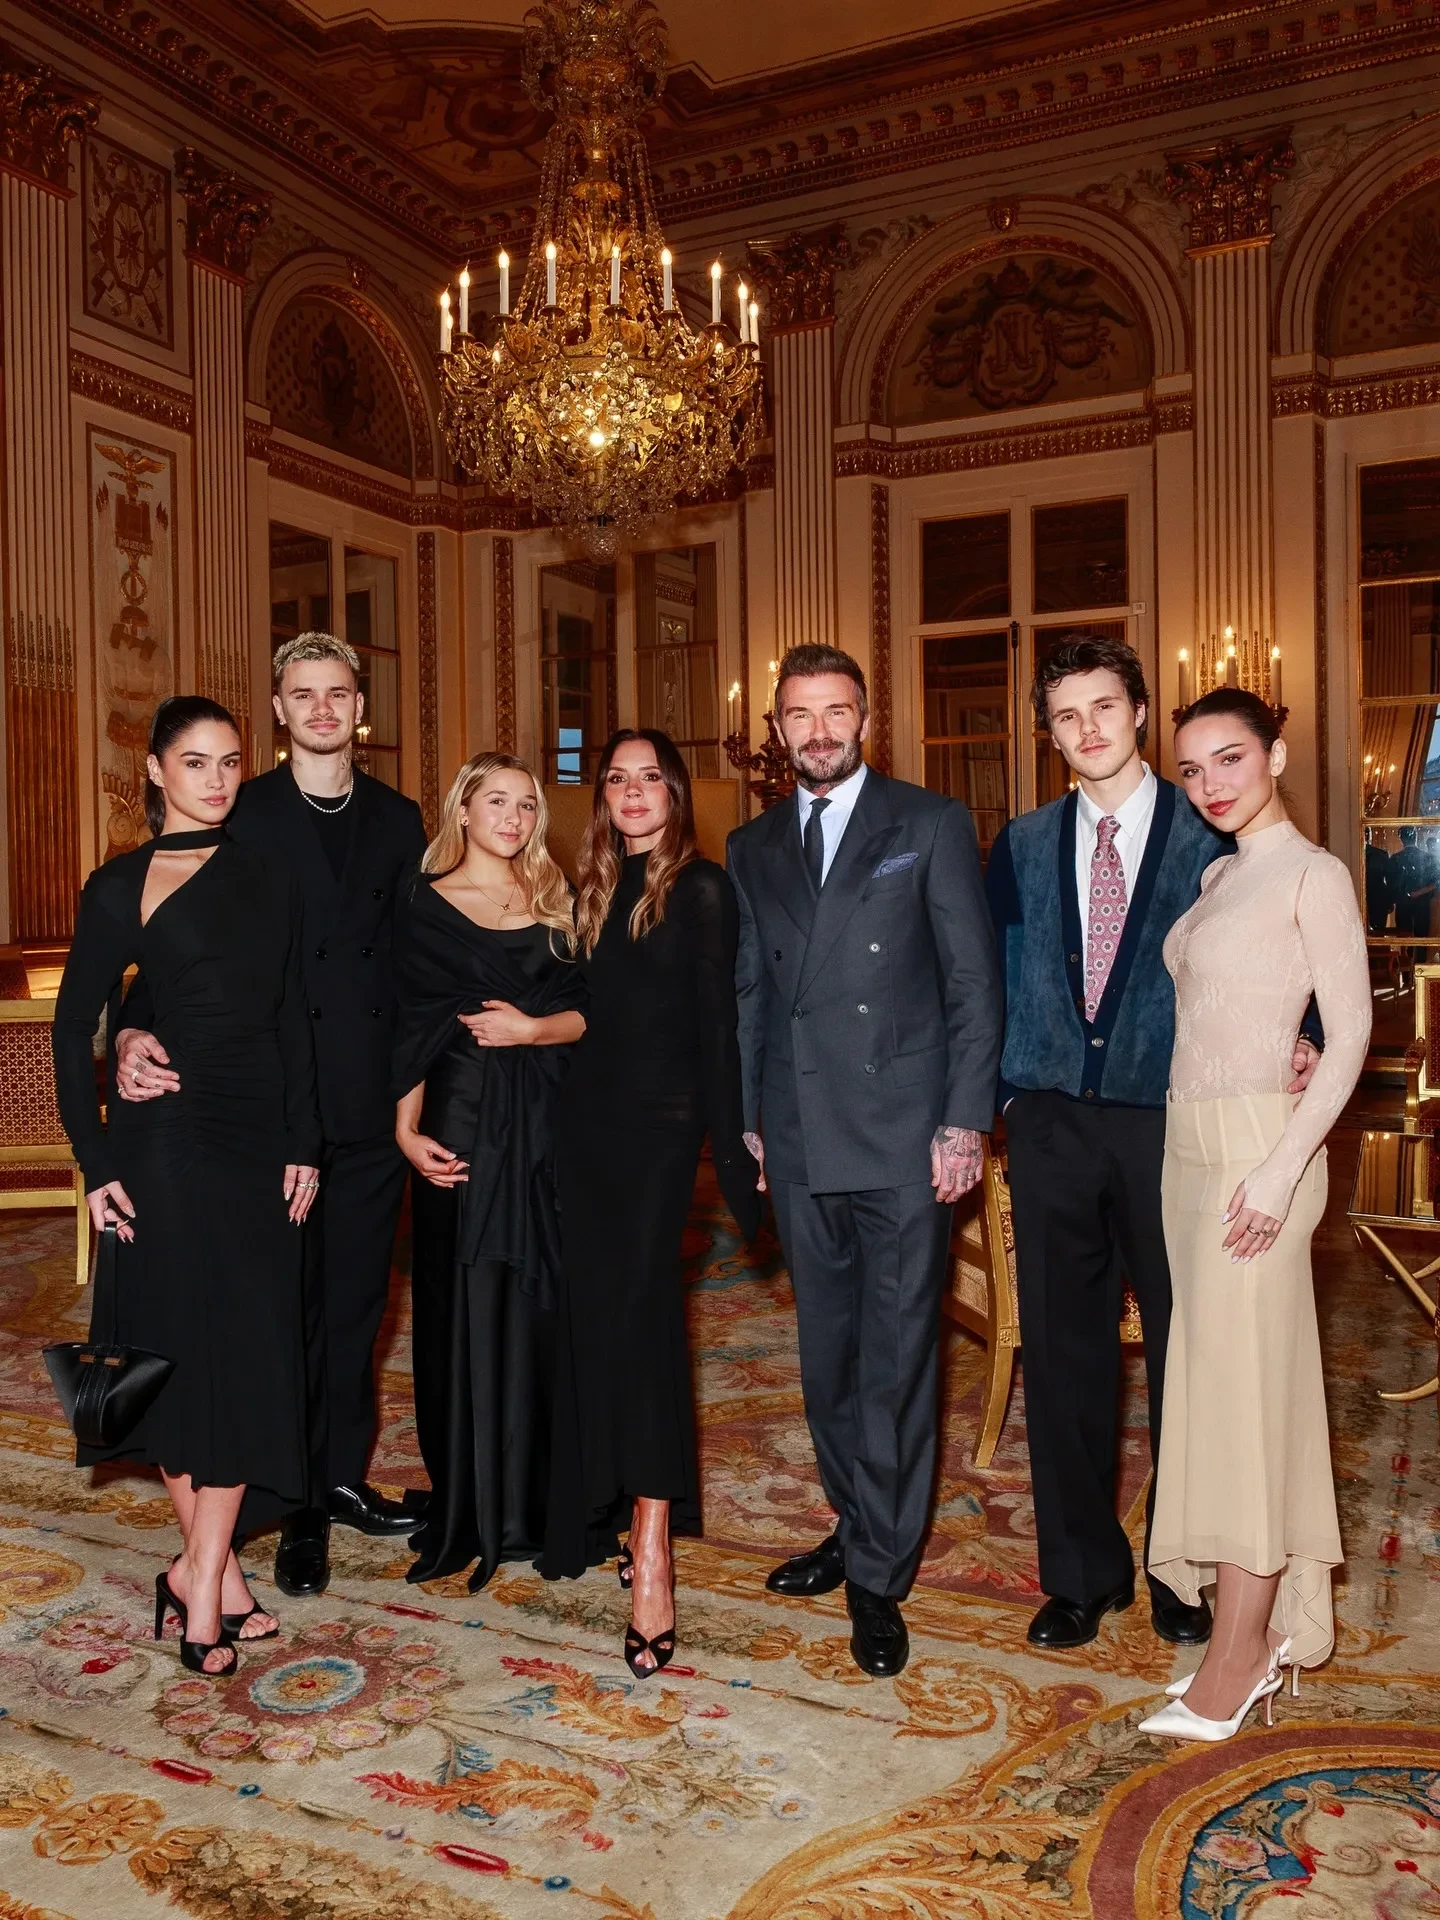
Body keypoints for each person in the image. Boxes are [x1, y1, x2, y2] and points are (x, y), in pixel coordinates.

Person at [987, 635, 1321, 1654]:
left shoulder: (1211, 827)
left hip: (1174, 1126)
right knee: (1063, 1355)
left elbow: (1280, 941)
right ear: (1049, 735)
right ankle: (1081, 1575)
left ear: (1139, 711)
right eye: (1065, 716)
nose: (1086, 729)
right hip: (1049, 1124)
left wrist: (1302, 1033)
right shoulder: (1020, 843)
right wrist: (1005, 1098)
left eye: (1104, 706)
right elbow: (990, 976)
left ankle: (1182, 1564)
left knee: (1191, 1351)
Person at [113, 634, 428, 1597]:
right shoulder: (234, 808)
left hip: (366, 1101)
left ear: (359, 709)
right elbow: (168, 946)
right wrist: (131, 1029)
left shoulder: (400, 818)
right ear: (280, 711)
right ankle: (289, 1506)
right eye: (303, 693)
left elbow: (421, 958)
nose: (323, 707)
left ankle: (335, 1480)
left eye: (338, 692)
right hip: (259, 1105)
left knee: (356, 1309)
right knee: (273, 1312)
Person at [727, 644, 1002, 1680]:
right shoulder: (752, 843)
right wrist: (753, 1118)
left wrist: (963, 1123)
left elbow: (973, 983)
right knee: (827, 1358)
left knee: (893, 1362)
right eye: (799, 715)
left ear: (865, 720)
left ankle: (881, 1575)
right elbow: (752, 991)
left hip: (901, 1136)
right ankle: (855, 1522)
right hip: (798, 1131)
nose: (818, 731)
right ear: (777, 728)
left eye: (836, 712)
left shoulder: (926, 822)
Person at [52, 696, 320, 1674]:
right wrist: (95, 1164)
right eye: (196, 761)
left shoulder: (271, 875)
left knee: (247, 1352)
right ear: (157, 772)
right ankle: (210, 1585)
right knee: (166, 1350)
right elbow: (73, 1024)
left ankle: (197, 1575)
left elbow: (293, 1014)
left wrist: (305, 1142)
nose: (216, 779)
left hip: (255, 1136)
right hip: (161, 1138)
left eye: (230, 761)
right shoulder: (119, 884)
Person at [1138, 689, 1369, 1741]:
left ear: (1276, 753)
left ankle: (1240, 1655)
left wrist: (1281, 1168)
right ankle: (1253, 1635)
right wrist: (1288, 1047)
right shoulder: (1218, 875)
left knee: (1250, 1409)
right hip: (1189, 1148)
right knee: (1217, 1394)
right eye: (1192, 770)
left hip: (1258, 1156)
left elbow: (1351, 1034)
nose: (1211, 785)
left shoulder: (1314, 874)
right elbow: (1242, 1011)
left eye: (1230, 758)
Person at [541, 730, 761, 1679]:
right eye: (617, 780)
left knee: (647, 1324)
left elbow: (718, 1026)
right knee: (595, 1322)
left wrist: (735, 1147)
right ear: (604, 797)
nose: (633, 794)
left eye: (649, 779)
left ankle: (656, 1542)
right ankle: (605, 1511)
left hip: (660, 1137)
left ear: (674, 792)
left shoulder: (702, 888)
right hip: (583, 1131)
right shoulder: (590, 889)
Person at [392, 754, 586, 1591]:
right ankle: (468, 1501)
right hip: (459, 1120)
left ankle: (538, 1502)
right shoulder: (423, 904)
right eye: (496, 801)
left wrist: (534, 1031)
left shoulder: (560, 900)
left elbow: (594, 1014)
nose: (512, 817)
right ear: (463, 810)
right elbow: (409, 1026)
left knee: (543, 1304)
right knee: (459, 1305)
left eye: (526, 804)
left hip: (549, 1126)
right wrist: (403, 1127)